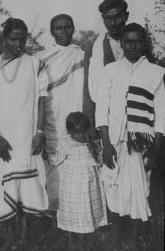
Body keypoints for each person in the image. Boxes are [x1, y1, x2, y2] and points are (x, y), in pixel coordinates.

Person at [0, 18, 48, 249]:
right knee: (4, 185)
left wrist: (39, 132)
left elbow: (41, 100)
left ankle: (27, 238)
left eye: (22, 39)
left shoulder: (34, 63)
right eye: (13, 39)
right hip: (3, 139)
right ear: (3, 39)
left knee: (27, 186)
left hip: (27, 136)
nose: (18, 44)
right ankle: (10, 240)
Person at [96, 23, 165, 249]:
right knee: (113, 189)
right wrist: (106, 144)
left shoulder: (155, 73)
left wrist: (156, 148)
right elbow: (102, 110)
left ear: (143, 43)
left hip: (141, 144)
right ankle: (117, 238)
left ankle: (133, 240)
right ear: (122, 44)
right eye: (128, 42)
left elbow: (161, 113)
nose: (133, 46)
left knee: (139, 190)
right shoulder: (110, 70)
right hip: (114, 141)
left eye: (137, 41)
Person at [38, 14, 85, 211]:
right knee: (53, 169)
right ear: (52, 32)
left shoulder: (82, 55)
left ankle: (74, 216)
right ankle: (52, 213)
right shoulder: (42, 58)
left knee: (78, 168)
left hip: (76, 120)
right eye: (59, 28)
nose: (64, 31)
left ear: (73, 29)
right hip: (51, 120)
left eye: (67, 27)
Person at [51, 111, 107, 250]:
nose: (81, 135)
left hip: (89, 187)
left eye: (83, 131)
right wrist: (47, 153)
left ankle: (84, 242)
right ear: (70, 132)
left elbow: (99, 161)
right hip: (72, 188)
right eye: (77, 133)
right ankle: (71, 242)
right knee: (72, 213)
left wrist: (93, 147)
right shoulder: (65, 143)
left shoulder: (92, 142)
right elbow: (56, 158)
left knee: (87, 212)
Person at [84, 0, 129, 136]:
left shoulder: (138, 41)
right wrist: (90, 124)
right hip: (108, 118)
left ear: (126, 16)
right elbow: (88, 87)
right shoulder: (94, 47)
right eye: (108, 18)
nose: (113, 23)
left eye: (117, 17)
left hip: (137, 115)